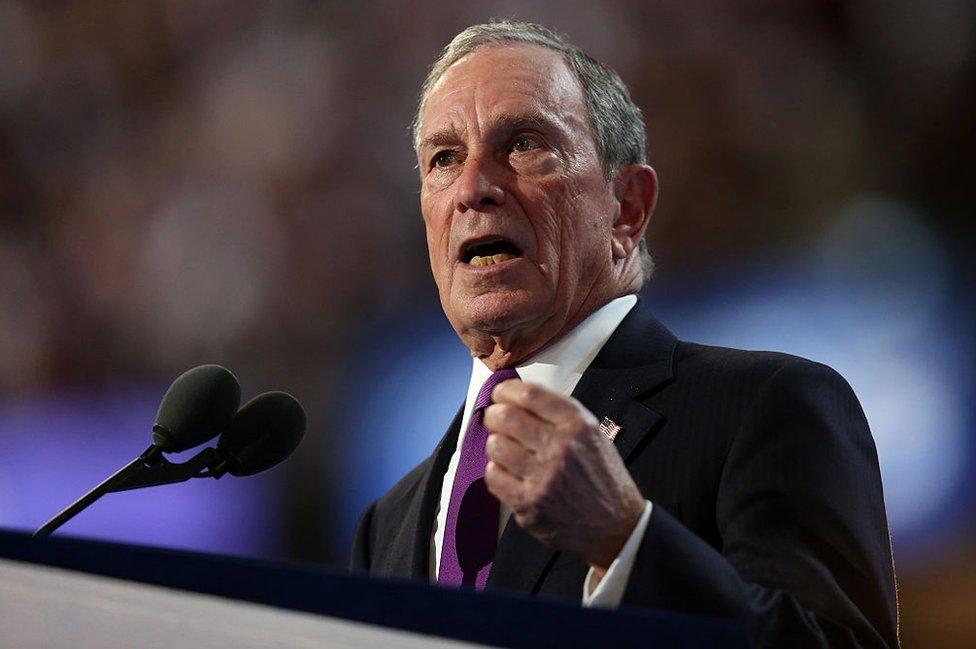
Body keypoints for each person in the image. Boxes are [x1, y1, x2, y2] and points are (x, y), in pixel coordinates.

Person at [351, 20, 898, 647]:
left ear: (627, 207)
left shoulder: (770, 406)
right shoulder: (386, 525)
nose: (474, 188)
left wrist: (625, 543)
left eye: (524, 145)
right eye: (444, 159)